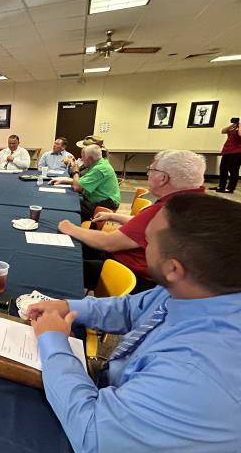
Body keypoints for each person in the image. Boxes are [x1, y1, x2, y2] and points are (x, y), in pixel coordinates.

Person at [27, 194, 241, 453]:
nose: (142, 246)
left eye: (148, 242)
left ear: (174, 269)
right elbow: (130, 309)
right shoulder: (195, 289)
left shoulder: (196, 373)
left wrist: (53, 340)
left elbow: (94, 436)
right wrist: (67, 307)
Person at [58, 150, 206, 293]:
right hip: (150, 276)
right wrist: (113, 216)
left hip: (132, 274)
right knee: (79, 247)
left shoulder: (166, 210)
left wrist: (70, 228)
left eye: (151, 170)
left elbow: (108, 243)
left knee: (64, 262)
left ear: (163, 178)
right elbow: (144, 224)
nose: (148, 174)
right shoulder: (194, 202)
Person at [52, 144, 120, 221]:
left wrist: (75, 171)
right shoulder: (100, 163)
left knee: (67, 204)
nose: (81, 159)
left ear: (90, 159)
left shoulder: (99, 169)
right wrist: (63, 180)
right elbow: (82, 181)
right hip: (98, 200)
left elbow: (77, 187)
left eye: (83, 157)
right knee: (68, 199)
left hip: (104, 204)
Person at [213, 120, 241, 193]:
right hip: (227, 151)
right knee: (223, 169)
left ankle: (230, 188)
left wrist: (240, 124)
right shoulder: (234, 127)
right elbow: (223, 131)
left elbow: (240, 134)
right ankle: (221, 186)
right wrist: (233, 124)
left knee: (233, 171)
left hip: (236, 152)